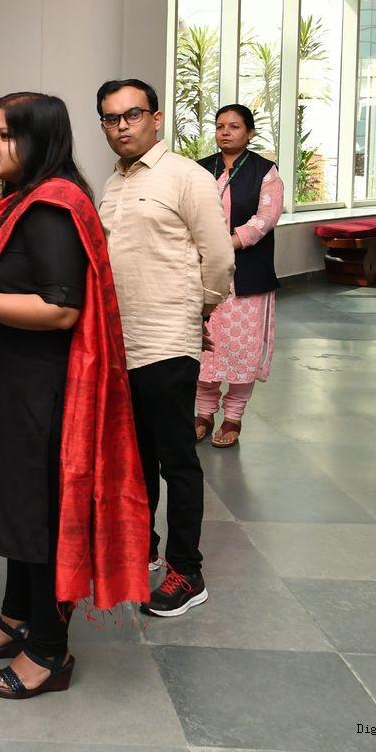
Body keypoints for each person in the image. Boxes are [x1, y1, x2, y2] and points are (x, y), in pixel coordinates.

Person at [0, 92, 147, 700]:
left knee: (40, 517)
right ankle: (17, 615)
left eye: (5, 134)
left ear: (38, 141)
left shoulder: (53, 208)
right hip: (9, 386)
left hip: (43, 394)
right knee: (18, 508)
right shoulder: (21, 200)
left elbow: (60, 308)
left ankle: (49, 648)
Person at [95, 79, 233, 619]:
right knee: (135, 458)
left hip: (167, 341)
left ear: (155, 118)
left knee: (176, 459)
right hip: (119, 343)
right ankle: (145, 548)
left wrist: (197, 311)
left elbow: (218, 258)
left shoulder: (187, 176)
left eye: (132, 114)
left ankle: (187, 571)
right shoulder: (113, 183)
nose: (122, 126)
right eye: (111, 118)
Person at [194, 105, 282, 449]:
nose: (225, 132)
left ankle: (233, 416)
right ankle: (203, 413)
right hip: (203, 273)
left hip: (247, 276)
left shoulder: (265, 171)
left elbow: (266, 218)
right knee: (204, 348)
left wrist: (224, 244)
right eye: (220, 126)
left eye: (234, 126)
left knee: (240, 350)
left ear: (250, 132)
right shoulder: (200, 169)